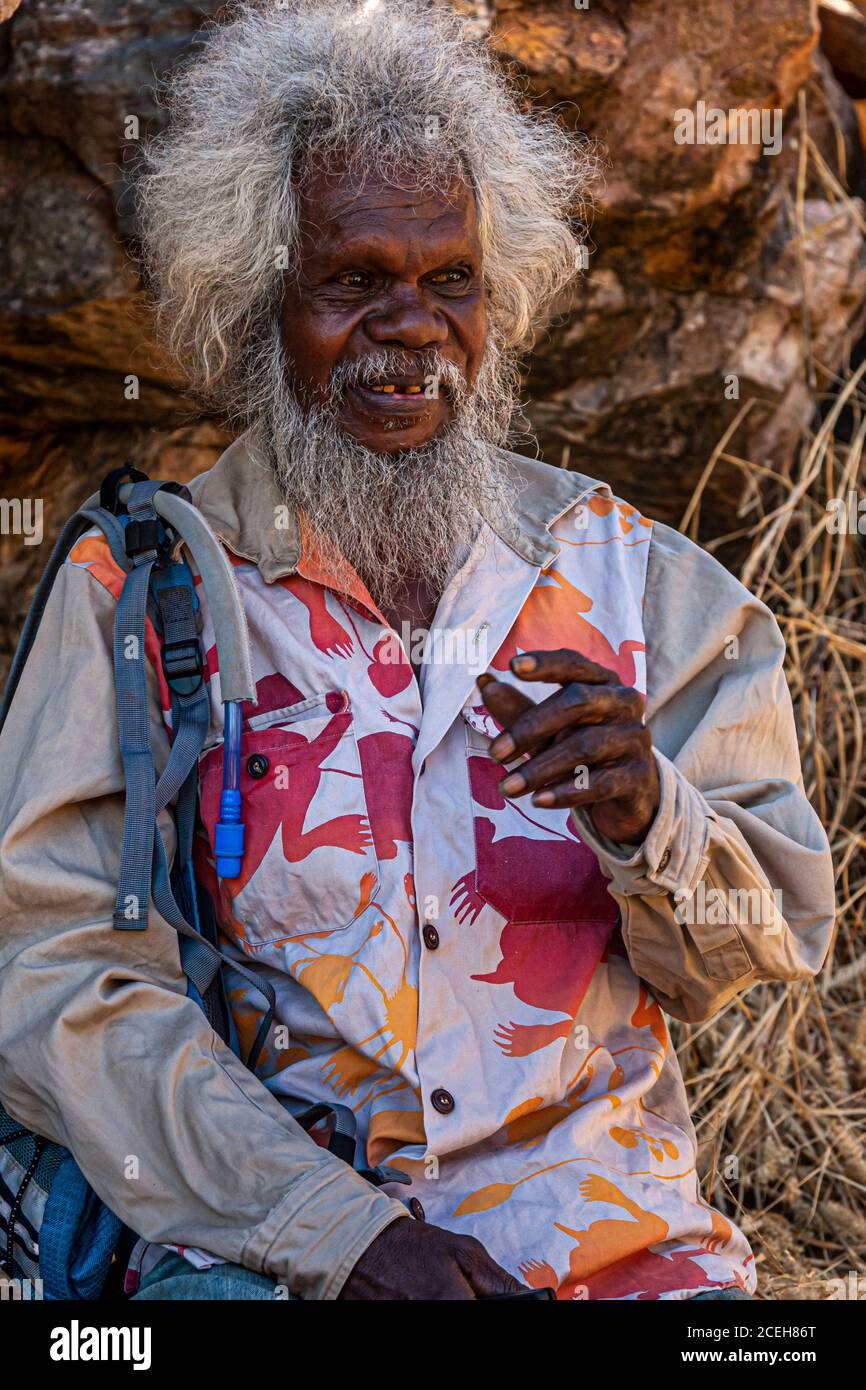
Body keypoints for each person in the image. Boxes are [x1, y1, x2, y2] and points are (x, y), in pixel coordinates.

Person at [0, 0, 834, 1301]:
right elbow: (48, 979)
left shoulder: (646, 587)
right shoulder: (141, 591)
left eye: (449, 281)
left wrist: (649, 816)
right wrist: (339, 1234)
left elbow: (764, 945)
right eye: (351, 281)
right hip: (269, 1252)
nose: (409, 327)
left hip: (618, 1256)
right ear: (253, 293)